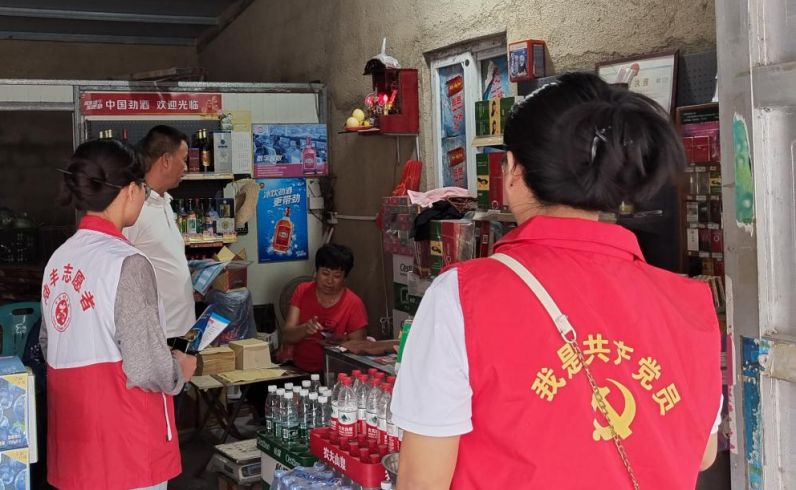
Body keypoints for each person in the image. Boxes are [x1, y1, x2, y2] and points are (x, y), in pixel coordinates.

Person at [392, 73, 722, 489]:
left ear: (514, 170)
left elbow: (421, 481)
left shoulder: (462, 296)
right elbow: (703, 452)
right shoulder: (688, 301)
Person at [41, 138, 197, 490]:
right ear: (130, 190)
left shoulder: (59, 259)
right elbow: (146, 367)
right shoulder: (127, 263)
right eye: (142, 187)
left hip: (75, 442)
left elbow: (50, 343)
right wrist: (179, 369)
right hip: (125, 444)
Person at [122, 125, 196, 340]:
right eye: (183, 160)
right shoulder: (136, 209)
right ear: (166, 160)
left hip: (182, 330)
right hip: (158, 336)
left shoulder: (164, 202)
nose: (186, 167)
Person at [282, 244, 368, 372]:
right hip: (300, 368)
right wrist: (305, 329)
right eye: (325, 273)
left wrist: (342, 342)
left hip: (337, 372)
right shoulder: (302, 291)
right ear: (317, 271)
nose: (330, 281)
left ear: (345, 277)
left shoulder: (354, 303)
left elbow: (360, 348)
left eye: (337, 276)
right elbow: (287, 335)